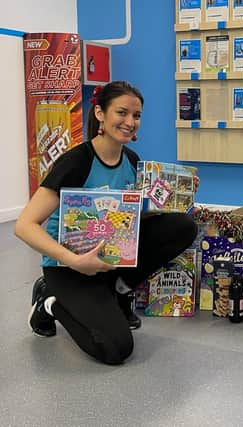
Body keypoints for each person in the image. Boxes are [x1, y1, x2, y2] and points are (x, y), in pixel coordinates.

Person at [15, 81, 198, 365]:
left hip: (109, 264)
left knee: (183, 226)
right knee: (116, 349)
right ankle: (50, 303)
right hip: (69, 268)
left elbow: (133, 217)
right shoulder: (75, 162)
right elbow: (24, 224)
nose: (130, 122)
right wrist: (73, 261)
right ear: (100, 113)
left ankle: (120, 290)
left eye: (136, 116)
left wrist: (178, 195)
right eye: (122, 113)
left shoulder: (131, 161)